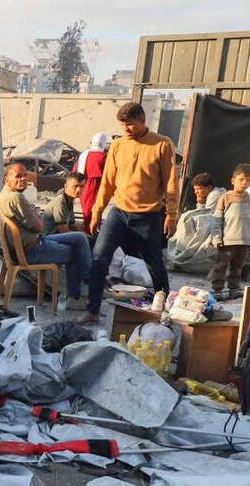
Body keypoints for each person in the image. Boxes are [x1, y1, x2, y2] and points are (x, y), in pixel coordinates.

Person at [84, 103, 178, 323]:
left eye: (129, 125)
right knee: (98, 258)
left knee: (154, 264)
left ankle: (163, 310)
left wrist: (172, 214)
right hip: (119, 213)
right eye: (122, 125)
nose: (125, 129)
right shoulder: (118, 145)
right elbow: (107, 181)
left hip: (149, 216)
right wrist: (97, 211)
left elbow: (172, 184)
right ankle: (92, 311)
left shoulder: (162, 144)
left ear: (142, 121)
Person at [0, 163, 92, 310]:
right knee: (75, 253)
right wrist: (34, 215)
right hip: (33, 250)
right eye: (17, 176)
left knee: (80, 238)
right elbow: (39, 227)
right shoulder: (15, 197)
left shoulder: (3, 195)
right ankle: (78, 294)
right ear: (6, 179)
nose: (22, 179)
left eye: (24, 175)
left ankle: (87, 277)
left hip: (36, 242)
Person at [208, 164, 250, 299]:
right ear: (233, 180)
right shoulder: (226, 197)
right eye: (242, 179)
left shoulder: (249, 199)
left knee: (237, 268)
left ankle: (234, 289)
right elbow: (217, 220)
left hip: (244, 241)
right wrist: (216, 238)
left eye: (248, 180)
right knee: (220, 266)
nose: (245, 183)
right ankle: (217, 289)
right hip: (227, 241)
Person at [74, 133, 109, 232]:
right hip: (95, 187)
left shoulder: (83, 155)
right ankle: (90, 234)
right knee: (94, 212)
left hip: (83, 186)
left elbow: (74, 172)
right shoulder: (103, 157)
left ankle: (89, 231)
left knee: (87, 213)